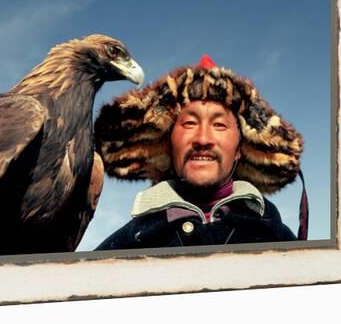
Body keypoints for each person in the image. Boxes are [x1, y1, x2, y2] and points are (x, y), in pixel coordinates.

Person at [93, 54, 307, 250]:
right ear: (168, 144)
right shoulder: (121, 248)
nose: (203, 139)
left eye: (220, 125)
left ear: (239, 150)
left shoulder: (281, 242)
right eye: (189, 123)